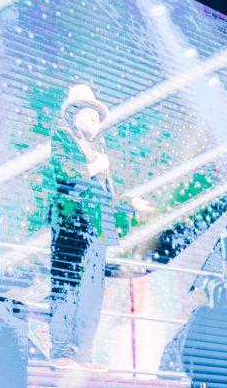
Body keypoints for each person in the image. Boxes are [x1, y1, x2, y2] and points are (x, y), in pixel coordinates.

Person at [45, 83, 150, 370]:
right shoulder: (63, 137)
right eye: (90, 114)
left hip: (96, 230)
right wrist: (94, 167)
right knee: (66, 288)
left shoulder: (98, 149)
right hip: (70, 226)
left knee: (91, 296)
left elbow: (105, 194)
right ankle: (61, 352)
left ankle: (83, 355)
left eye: (97, 116)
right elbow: (64, 174)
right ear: (74, 114)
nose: (95, 119)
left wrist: (130, 203)